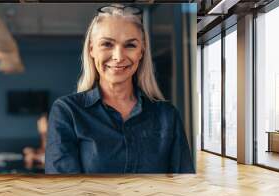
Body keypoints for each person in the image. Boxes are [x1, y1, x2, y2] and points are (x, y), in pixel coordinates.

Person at [45, 4, 195, 174]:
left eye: (130, 45)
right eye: (107, 44)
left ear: (141, 51)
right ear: (91, 49)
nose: (118, 56)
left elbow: (183, 186)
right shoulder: (68, 112)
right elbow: (63, 190)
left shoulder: (168, 115)